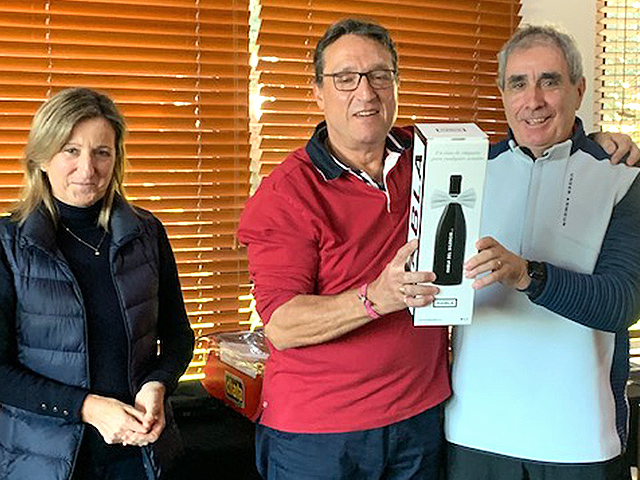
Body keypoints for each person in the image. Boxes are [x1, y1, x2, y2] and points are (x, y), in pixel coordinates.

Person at [237, 18, 639, 480]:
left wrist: (595, 145)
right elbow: (281, 326)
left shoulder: (438, 158)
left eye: (379, 76)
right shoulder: (286, 193)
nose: (365, 93)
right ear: (318, 93)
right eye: (345, 78)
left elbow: (540, 144)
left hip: (422, 421)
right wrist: (375, 298)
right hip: (323, 434)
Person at [445, 25, 640, 480]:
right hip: (475, 436)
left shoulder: (623, 177)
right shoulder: (467, 173)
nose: (532, 100)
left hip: (580, 443)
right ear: (503, 94)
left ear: (579, 89)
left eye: (549, 81)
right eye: (518, 83)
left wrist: (527, 275)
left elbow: (622, 302)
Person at [0, 87, 195, 480]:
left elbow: (179, 337)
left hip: (141, 459)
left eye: (101, 152)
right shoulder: (7, 244)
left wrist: (158, 384)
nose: (87, 169)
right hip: (42, 462)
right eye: (70, 150)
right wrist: (86, 407)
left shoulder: (147, 233)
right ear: (42, 157)